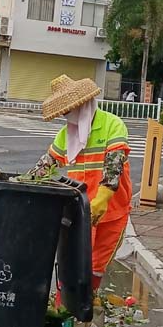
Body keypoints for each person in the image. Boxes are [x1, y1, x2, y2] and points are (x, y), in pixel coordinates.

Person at [27, 74, 131, 292]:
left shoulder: (112, 125)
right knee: (71, 266)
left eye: (68, 109)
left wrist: (101, 201)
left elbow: (114, 168)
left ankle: (83, 312)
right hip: (79, 214)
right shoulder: (66, 135)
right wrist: (20, 186)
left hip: (110, 212)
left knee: (94, 269)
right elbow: (45, 167)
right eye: (64, 112)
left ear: (83, 103)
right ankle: (65, 308)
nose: (67, 115)